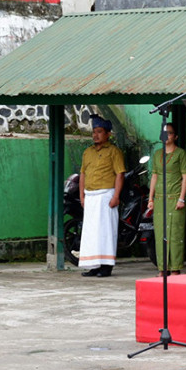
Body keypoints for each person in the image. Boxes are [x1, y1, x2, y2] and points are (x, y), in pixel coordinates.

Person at [78, 114, 126, 277]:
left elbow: (120, 174)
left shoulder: (114, 151)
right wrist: (82, 196)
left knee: (106, 231)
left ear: (108, 134)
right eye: (94, 132)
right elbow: (83, 174)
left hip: (106, 195)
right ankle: (94, 265)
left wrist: (116, 196)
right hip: (90, 196)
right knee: (91, 232)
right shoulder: (87, 152)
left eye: (99, 131)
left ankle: (106, 266)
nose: (95, 135)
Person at [147, 123, 186, 276]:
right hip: (159, 200)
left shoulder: (181, 154)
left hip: (175, 199)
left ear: (175, 136)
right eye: (164, 133)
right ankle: (162, 268)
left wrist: (181, 199)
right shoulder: (157, 154)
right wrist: (150, 198)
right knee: (160, 235)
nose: (166, 136)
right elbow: (154, 176)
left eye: (170, 133)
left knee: (175, 234)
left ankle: (175, 268)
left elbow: (185, 177)